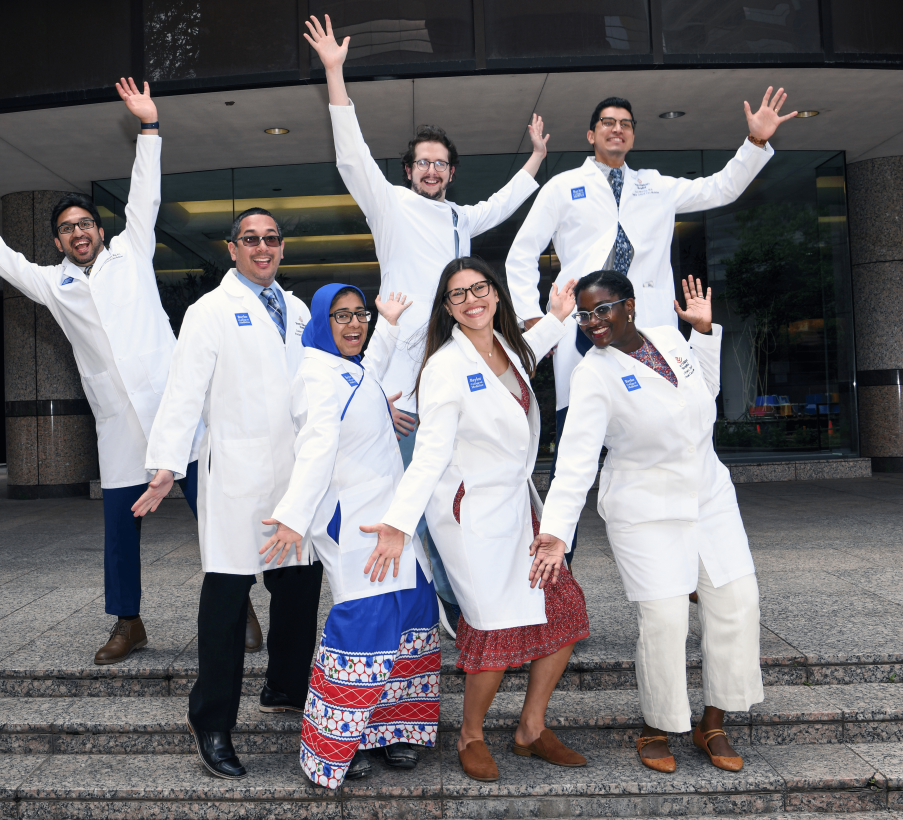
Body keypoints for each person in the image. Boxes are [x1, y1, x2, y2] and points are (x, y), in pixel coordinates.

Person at [0, 78, 204, 665]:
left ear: (101, 231)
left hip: (176, 406)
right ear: (59, 241)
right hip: (119, 423)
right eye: (68, 228)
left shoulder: (133, 250)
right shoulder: (54, 284)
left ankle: (237, 604)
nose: (79, 233)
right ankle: (129, 622)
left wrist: (149, 126)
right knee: (122, 528)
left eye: (86, 224)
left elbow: (146, 193)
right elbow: (0, 259)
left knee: (214, 511)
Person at [305, 14, 550, 637]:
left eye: (441, 164)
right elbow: (352, 157)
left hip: (450, 365)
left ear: (450, 171)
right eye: (423, 164)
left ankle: (467, 595)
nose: (432, 172)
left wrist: (536, 162)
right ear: (408, 170)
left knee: (450, 485)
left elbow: (497, 207)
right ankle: (438, 598)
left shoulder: (459, 220)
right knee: (415, 485)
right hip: (396, 374)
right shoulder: (391, 204)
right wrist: (336, 73)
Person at [505, 90, 797, 560]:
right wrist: (537, 320)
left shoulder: (656, 186)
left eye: (625, 123)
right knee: (573, 460)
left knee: (673, 448)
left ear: (633, 134)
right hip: (584, 334)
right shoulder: (561, 187)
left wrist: (755, 142)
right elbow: (519, 256)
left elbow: (720, 188)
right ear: (591, 133)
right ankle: (559, 591)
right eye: (607, 122)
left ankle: (691, 574)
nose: (616, 129)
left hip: (649, 332)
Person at [364, 257, 590, 783]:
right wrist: (399, 522)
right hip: (472, 517)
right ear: (447, 308)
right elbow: (430, 452)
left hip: (517, 508)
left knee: (564, 612)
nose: (471, 300)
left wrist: (557, 315)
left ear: (495, 293)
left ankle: (531, 728)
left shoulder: (507, 347)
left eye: (479, 288)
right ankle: (470, 734)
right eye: (458, 295)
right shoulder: (443, 367)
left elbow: (527, 364)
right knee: (491, 628)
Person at [532, 270, 763, 774]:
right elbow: (575, 459)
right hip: (643, 508)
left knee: (737, 603)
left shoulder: (665, 337)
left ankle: (713, 721)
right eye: (584, 314)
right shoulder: (592, 374)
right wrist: (554, 534)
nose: (593, 321)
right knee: (664, 618)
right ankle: (657, 726)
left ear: (629, 306)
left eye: (602, 309)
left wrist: (702, 334)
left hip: (708, 496)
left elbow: (704, 395)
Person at [131, 207, 320, 780]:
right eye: (250, 239)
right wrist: (166, 463)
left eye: (271, 239)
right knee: (226, 598)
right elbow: (183, 390)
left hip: (293, 475)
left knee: (298, 588)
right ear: (231, 248)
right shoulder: (209, 310)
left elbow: (320, 384)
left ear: (281, 247)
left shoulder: (299, 310)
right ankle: (210, 720)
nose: (262, 248)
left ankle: (286, 689)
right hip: (235, 473)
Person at [262, 284, 439, 789]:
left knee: (412, 614)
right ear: (321, 322)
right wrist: (294, 516)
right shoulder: (316, 376)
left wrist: (384, 322)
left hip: (393, 519)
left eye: (358, 315)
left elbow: (367, 371)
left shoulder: (348, 368)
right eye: (341, 317)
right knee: (365, 624)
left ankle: (393, 729)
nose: (353, 325)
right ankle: (339, 740)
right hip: (356, 523)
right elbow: (317, 447)